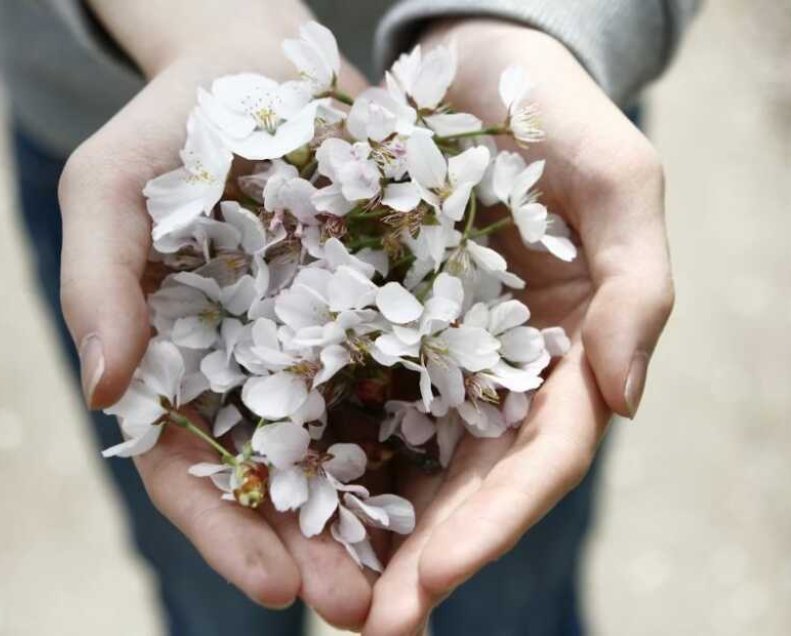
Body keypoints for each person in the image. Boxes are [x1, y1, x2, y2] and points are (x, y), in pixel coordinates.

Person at [0, 1, 698, 634]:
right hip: (127, 136)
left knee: (513, 597)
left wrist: (540, 24)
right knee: (216, 596)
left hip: (545, 89)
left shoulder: (457, 218)